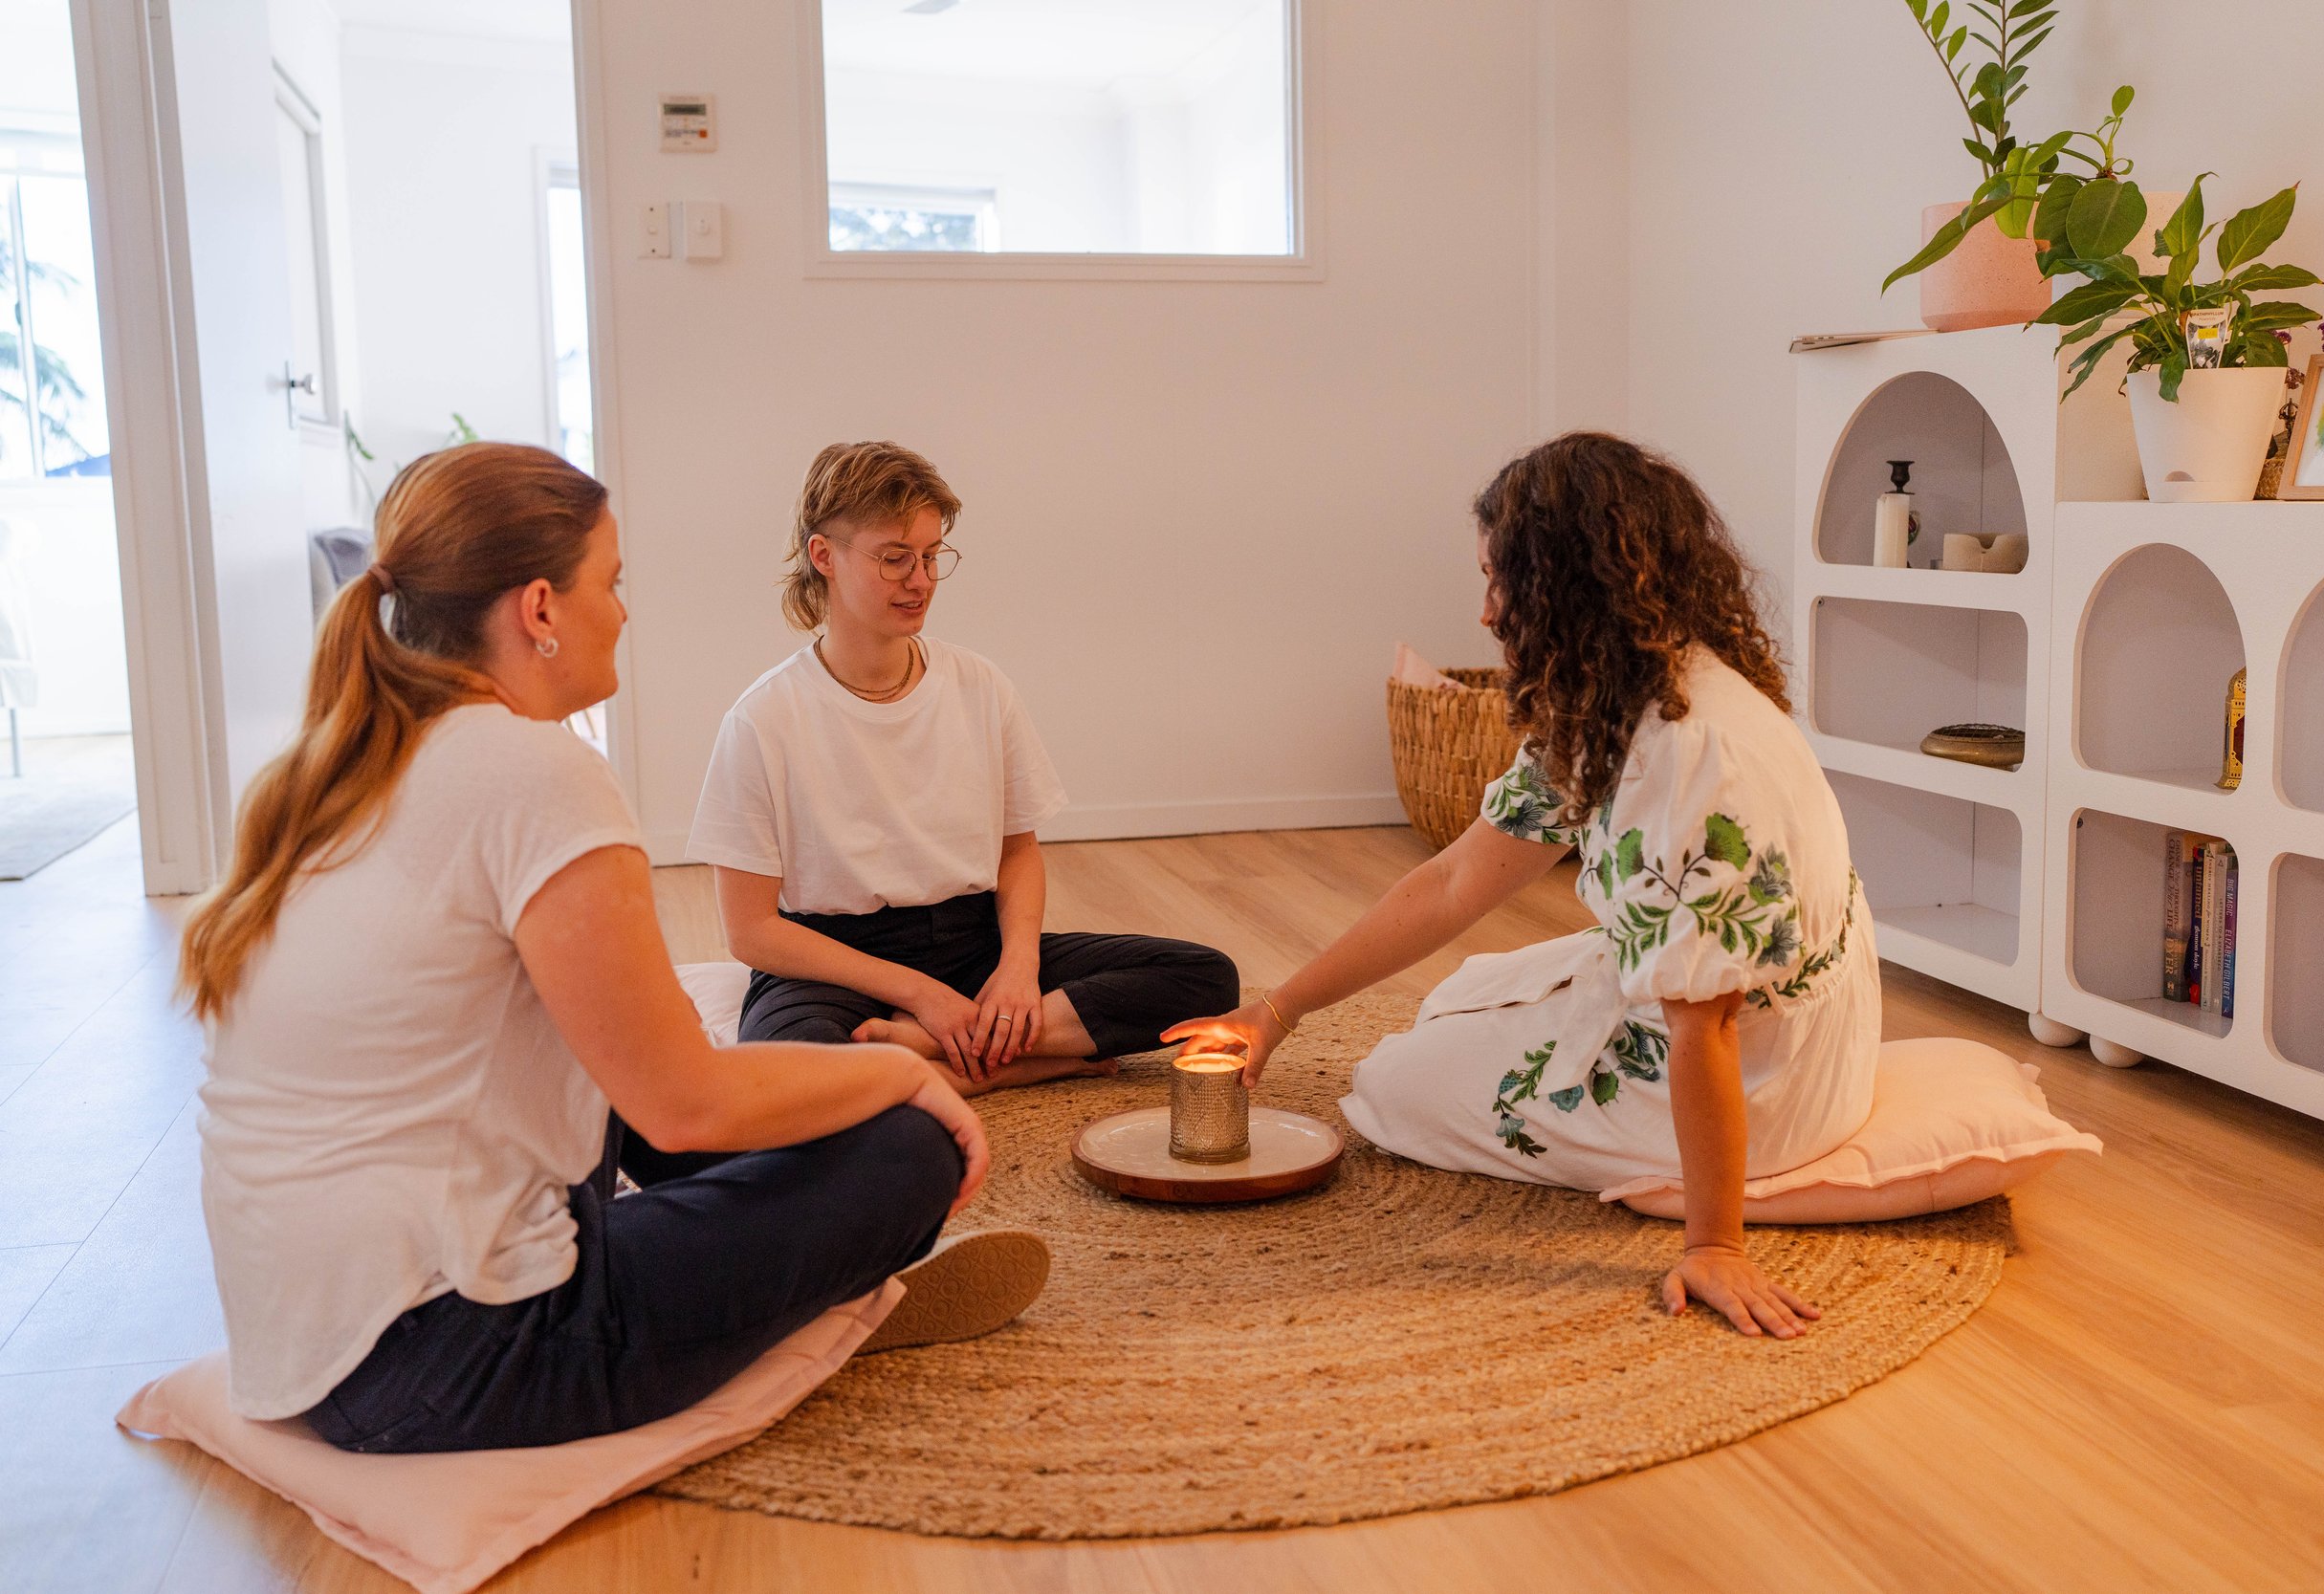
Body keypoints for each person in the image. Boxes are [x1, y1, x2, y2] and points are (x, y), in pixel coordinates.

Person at [180, 443, 1044, 1454]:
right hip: (456, 1357)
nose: (625, 610)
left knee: (662, 1077)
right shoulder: (535, 771)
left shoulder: (332, 764)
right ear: (540, 609)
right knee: (907, 1152)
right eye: (612, 582)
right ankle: (819, 1304)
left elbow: (645, 1089)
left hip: (301, 1341)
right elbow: (685, 1104)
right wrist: (902, 1080)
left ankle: (794, 1275)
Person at [1168, 433, 1880, 1341]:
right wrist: (1279, 1010)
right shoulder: (1624, 688)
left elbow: (1709, 1025)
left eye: (1499, 582)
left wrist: (1716, 1243)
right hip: (1763, 1012)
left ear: (1566, 585)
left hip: (1773, 1074)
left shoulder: (1693, 757)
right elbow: (1457, 878)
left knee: (1391, 1084)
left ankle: (1710, 1188)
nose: (1486, 612)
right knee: (1463, 995)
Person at [687, 440, 1239, 1100]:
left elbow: (1018, 853)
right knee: (791, 1072)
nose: (920, 580)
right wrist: (921, 994)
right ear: (824, 555)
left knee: (1206, 978)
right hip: (833, 966)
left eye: (930, 555)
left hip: (971, 943)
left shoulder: (980, 686)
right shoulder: (762, 720)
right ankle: (1029, 1058)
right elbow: (751, 931)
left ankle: (932, 1060)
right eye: (895, 558)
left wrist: (1017, 966)